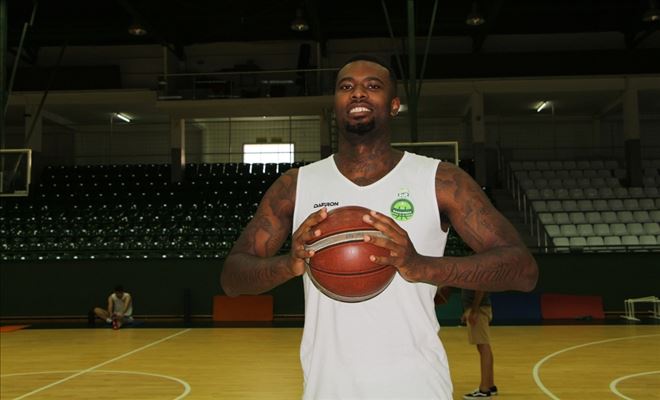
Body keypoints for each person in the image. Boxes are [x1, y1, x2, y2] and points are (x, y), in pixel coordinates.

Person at [221, 54, 538, 399]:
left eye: (372, 86)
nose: (357, 93)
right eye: (346, 87)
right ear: (335, 104)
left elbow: (523, 271)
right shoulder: (295, 185)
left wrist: (422, 266)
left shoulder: (441, 180)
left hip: (419, 388)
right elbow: (232, 278)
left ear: (394, 105)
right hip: (327, 390)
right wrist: (288, 264)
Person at [461, 289, 497, 399]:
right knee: (484, 347)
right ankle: (490, 385)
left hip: (479, 310)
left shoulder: (480, 274)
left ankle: (484, 389)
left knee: (483, 346)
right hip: (478, 308)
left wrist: (474, 310)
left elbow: (481, 287)